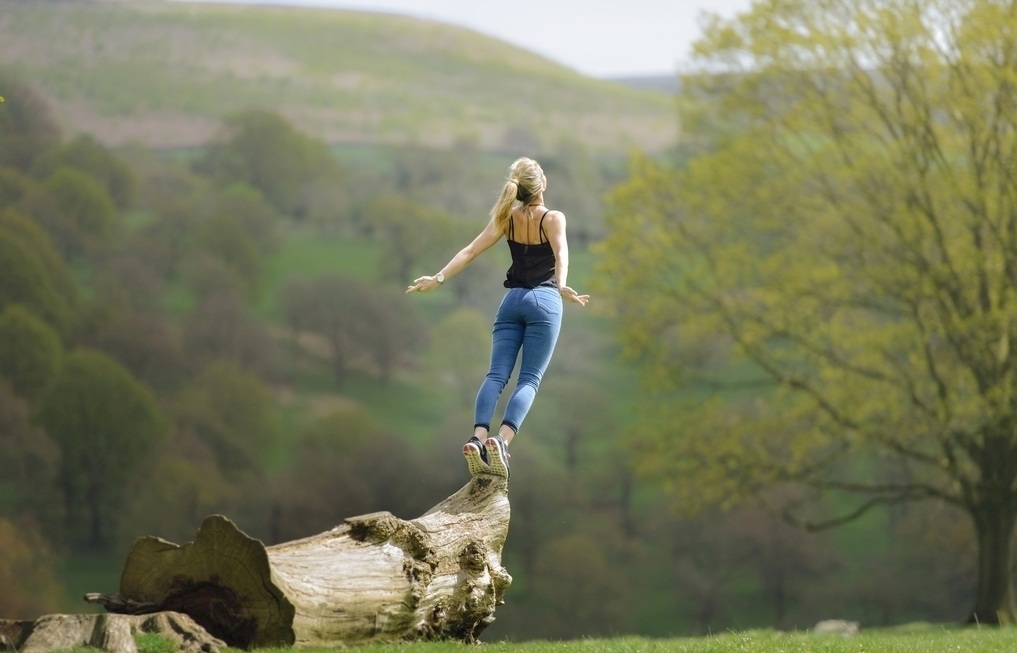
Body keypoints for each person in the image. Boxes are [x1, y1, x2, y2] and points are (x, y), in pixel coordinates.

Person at [406, 157, 589, 479]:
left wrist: (438, 279)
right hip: (544, 301)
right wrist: (561, 286)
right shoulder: (553, 218)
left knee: (495, 376)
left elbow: (470, 251)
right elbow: (562, 253)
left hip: (511, 303)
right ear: (542, 185)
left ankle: (477, 438)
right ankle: (501, 442)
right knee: (529, 379)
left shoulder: (508, 218)